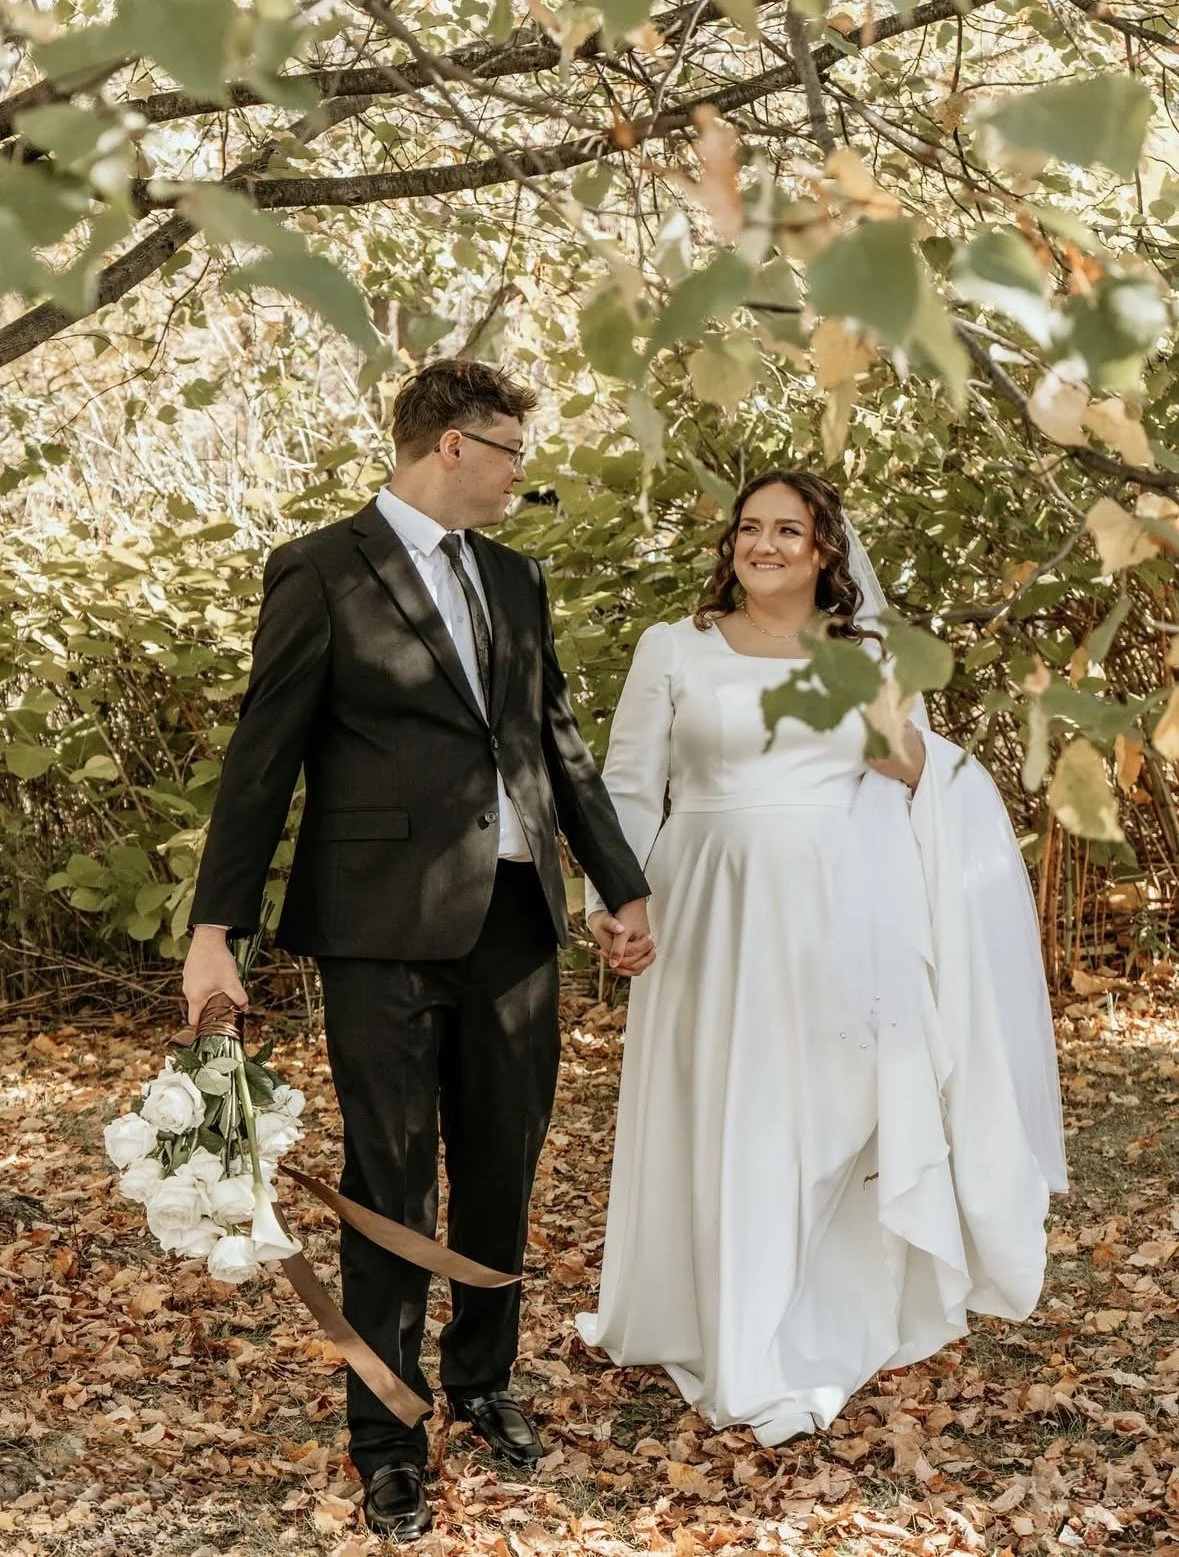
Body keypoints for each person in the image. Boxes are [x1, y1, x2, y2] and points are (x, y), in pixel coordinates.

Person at [182, 359, 655, 1541]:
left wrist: (619, 883)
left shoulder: (514, 576)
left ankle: (482, 1384)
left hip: (515, 922)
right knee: (393, 1181)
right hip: (377, 930)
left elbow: (553, 741)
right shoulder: (323, 569)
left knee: (504, 1163)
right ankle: (386, 1433)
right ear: (451, 444)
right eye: (511, 453)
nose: (519, 477)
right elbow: (263, 756)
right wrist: (212, 932)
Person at [576, 469, 1067, 1447]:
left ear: (822, 551)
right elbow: (628, 786)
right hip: (705, 905)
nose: (764, 545)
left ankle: (800, 1319)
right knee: (719, 1103)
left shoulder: (862, 654)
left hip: (834, 915)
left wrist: (902, 748)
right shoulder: (673, 648)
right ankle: (715, 1320)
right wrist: (614, 902)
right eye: (749, 529)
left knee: (817, 1108)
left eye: (787, 530)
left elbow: (921, 773)